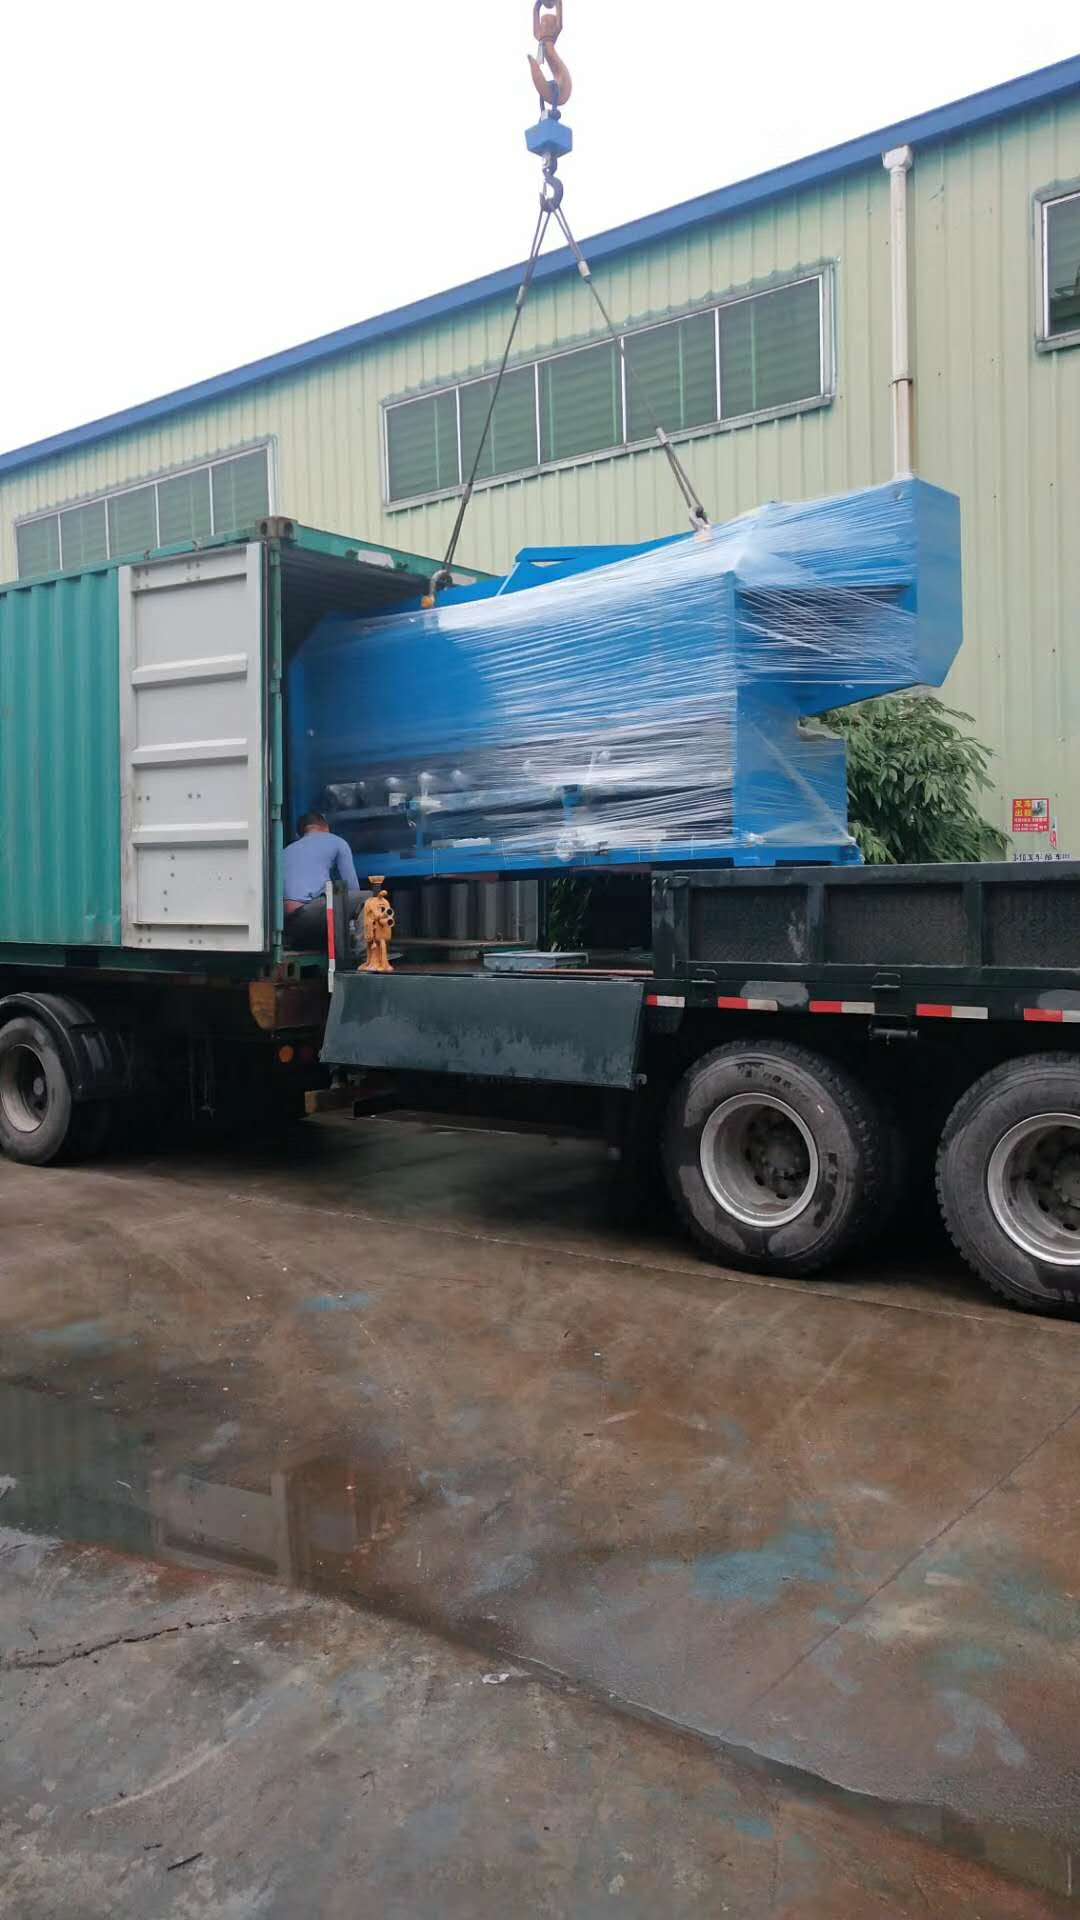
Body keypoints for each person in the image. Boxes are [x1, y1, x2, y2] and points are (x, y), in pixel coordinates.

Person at [282, 812, 361, 950]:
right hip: (307, 913)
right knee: (368, 900)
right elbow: (353, 887)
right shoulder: (337, 841)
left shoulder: (286, 850)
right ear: (325, 827)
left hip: (285, 922)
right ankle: (364, 955)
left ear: (300, 834)